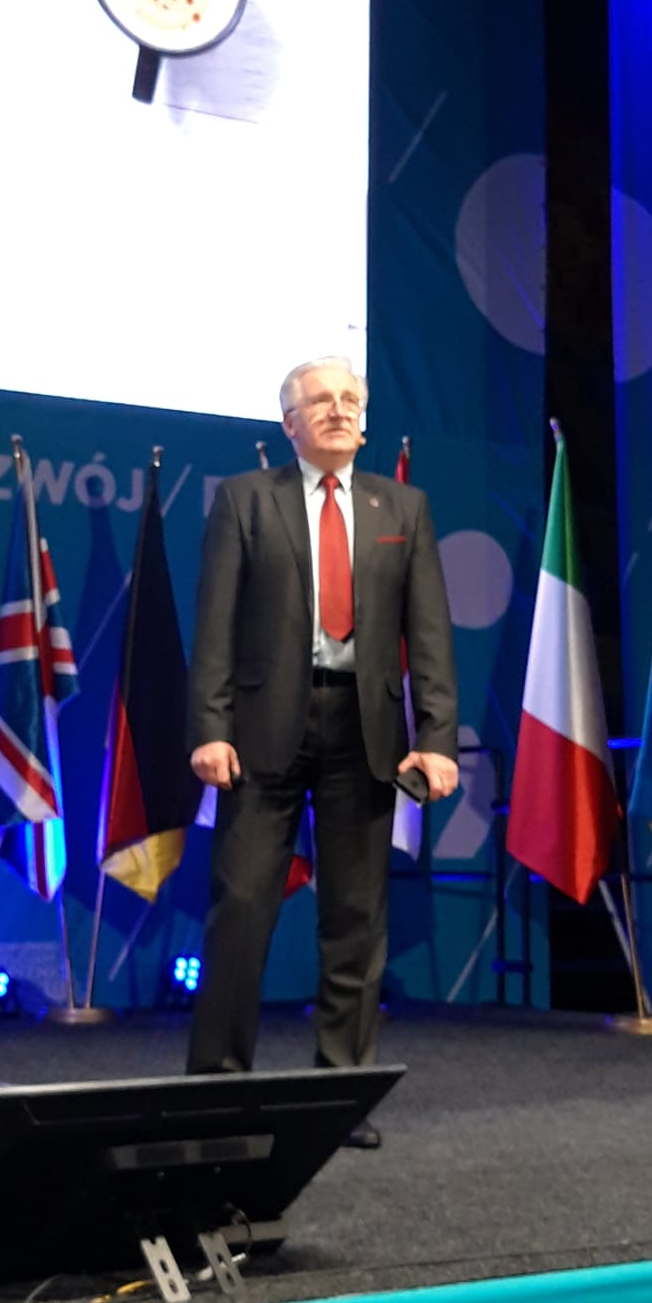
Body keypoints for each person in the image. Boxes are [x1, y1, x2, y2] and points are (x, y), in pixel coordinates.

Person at [186, 356, 459, 1146]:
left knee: (356, 917)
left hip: (364, 731)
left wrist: (436, 737)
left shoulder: (402, 506)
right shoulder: (246, 499)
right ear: (289, 423)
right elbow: (214, 625)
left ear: (363, 420)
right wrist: (209, 727)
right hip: (261, 727)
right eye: (320, 400)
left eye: (350, 400)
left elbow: (429, 634)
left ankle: (340, 1093)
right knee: (242, 909)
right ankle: (216, 1088)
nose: (339, 410)